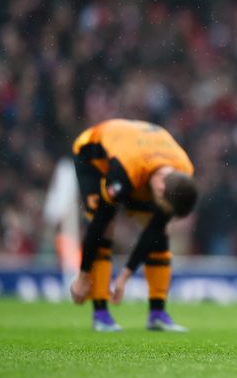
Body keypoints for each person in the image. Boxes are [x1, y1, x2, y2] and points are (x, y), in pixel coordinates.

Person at [69, 119, 199, 332]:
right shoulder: (125, 172)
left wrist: (124, 276)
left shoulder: (183, 173)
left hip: (141, 160)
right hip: (93, 158)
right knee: (106, 227)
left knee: (161, 231)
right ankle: (100, 313)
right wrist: (83, 277)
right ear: (160, 188)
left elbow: (153, 230)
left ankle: (157, 313)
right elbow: (99, 224)